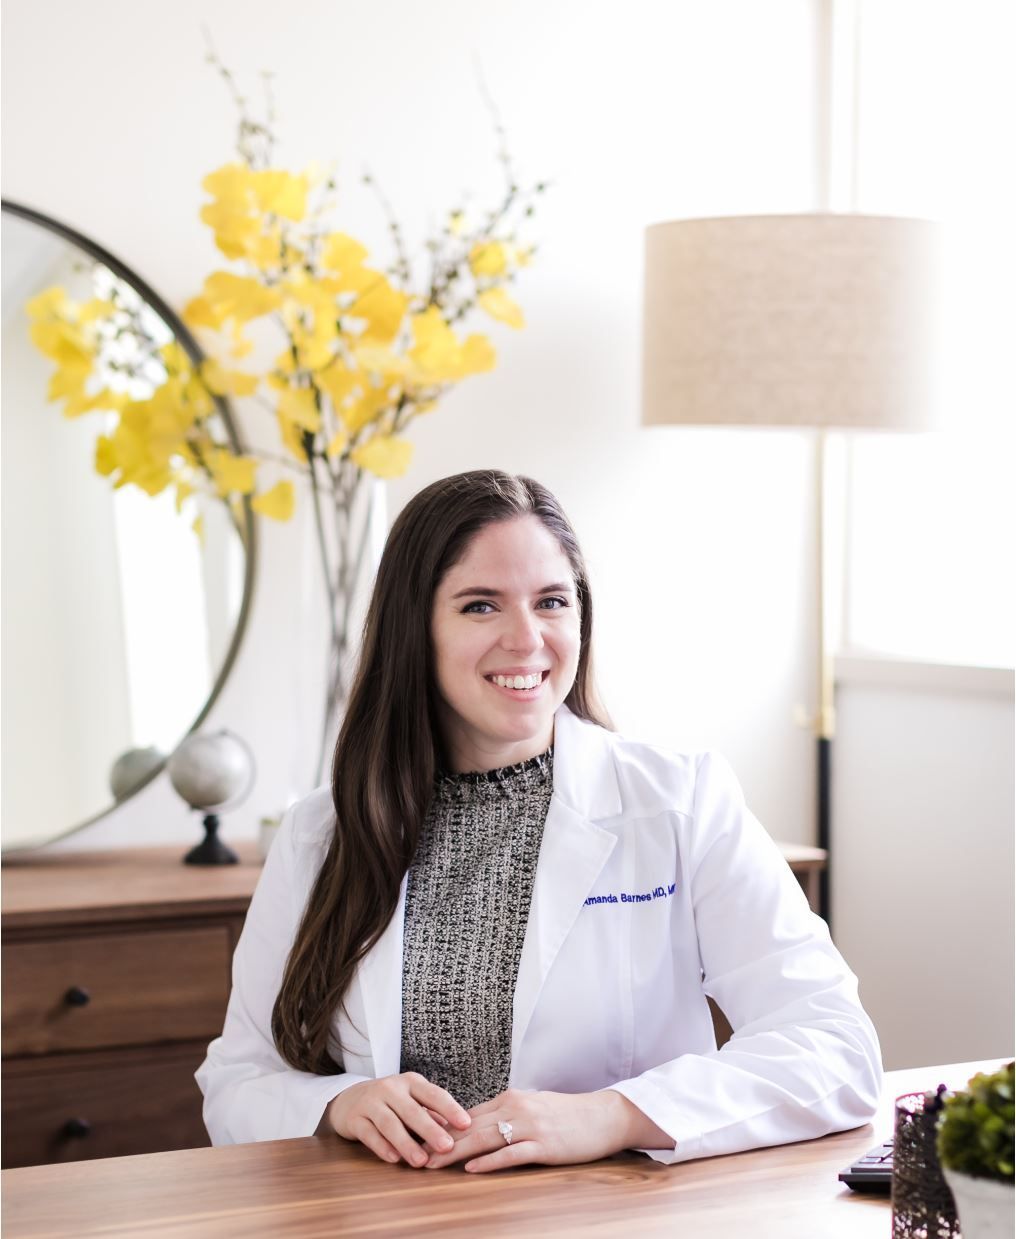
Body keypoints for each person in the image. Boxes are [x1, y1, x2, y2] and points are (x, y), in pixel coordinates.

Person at [196, 469, 881, 1172]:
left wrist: (613, 1114)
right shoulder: (322, 832)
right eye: (480, 606)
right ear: (415, 628)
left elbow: (835, 1045)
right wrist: (338, 1105)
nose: (527, 640)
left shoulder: (678, 800)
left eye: (552, 601)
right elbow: (235, 1082)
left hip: (615, 1217)